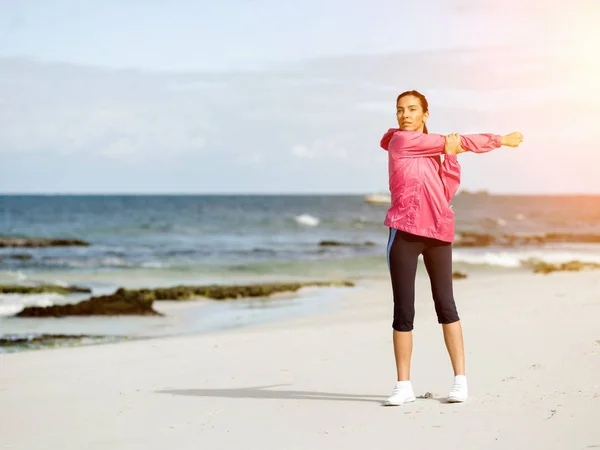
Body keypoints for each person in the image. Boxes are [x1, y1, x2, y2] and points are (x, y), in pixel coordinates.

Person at [380, 90, 523, 406]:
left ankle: (460, 381)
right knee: (404, 310)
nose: (405, 115)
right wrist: (500, 140)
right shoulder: (401, 142)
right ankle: (403, 385)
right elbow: (454, 141)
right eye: (400, 109)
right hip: (404, 232)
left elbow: (445, 190)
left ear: (425, 114)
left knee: (446, 305)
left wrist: (452, 156)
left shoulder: (432, 152)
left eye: (412, 109)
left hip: (438, 233)